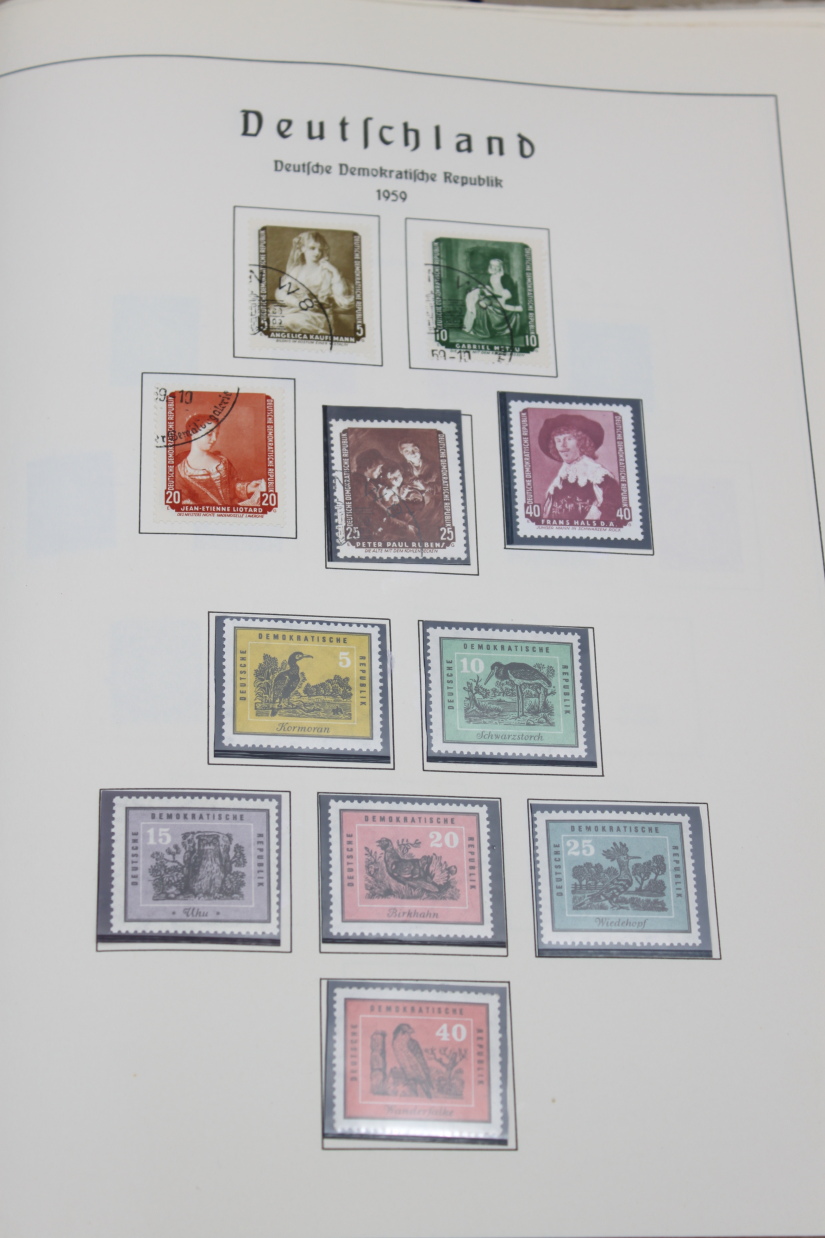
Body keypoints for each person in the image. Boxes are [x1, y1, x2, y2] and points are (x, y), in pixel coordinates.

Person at [538, 413, 624, 524]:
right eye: (558, 440)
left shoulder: (600, 477)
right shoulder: (558, 482)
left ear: (581, 442)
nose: (562, 445)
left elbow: (612, 515)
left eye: (569, 439)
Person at [268, 230, 354, 336]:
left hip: (318, 314)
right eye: (312, 248)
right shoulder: (297, 270)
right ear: (302, 249)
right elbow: (282, 291)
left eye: (320, 249)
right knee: (275, 321)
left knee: (291, 322)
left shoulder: (325, 271)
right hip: (297, 309)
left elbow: (342, 297)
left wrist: (335, 272)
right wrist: (297, 302)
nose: (317, 253)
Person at [175, 413, 266, 508]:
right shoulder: (181, 472)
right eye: (209, 434)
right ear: (193, 433)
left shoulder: (222, 461)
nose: (214, 439)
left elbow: (231, 486)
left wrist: (248, 488)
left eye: (217, 434)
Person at [462, 255, 522, 340]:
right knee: (477, 302)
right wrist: (484, 289)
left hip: (503, 300)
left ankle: (484, 332)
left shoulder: (505, 277)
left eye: (496, 266)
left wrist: (493, 293)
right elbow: (489, 290)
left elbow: (508, 294)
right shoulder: (490, 277)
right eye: (492, 266)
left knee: (482, 304)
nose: (494, 268)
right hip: (493, 298)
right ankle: (478, 329)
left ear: (500, 267)